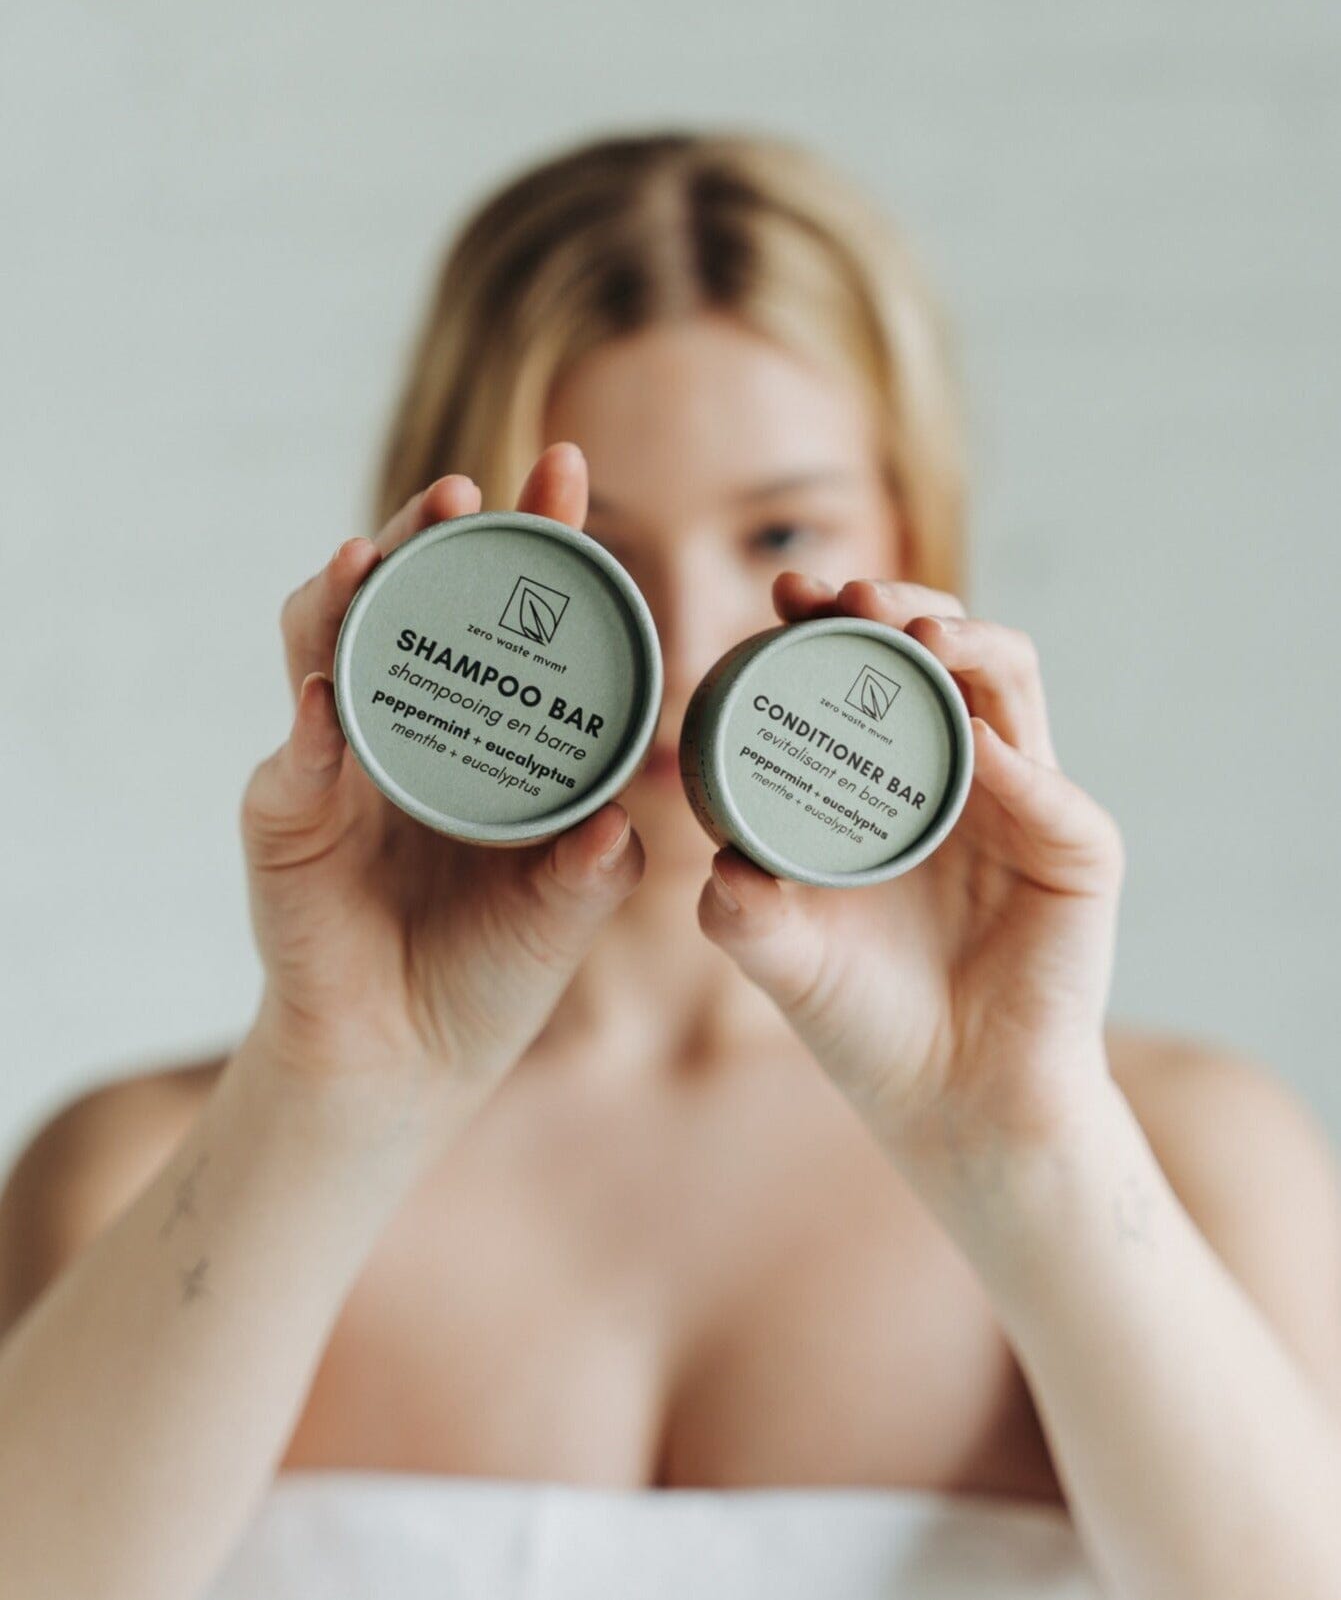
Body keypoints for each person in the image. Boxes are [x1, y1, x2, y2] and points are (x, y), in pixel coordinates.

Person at [2, 129, 1340, 1600]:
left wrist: (1013, 1133)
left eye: (780, 525)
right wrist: (338, 1083)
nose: (689, 632)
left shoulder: (1190, 1158)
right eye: (598, 557)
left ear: (908, 526)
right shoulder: (140, 1169)